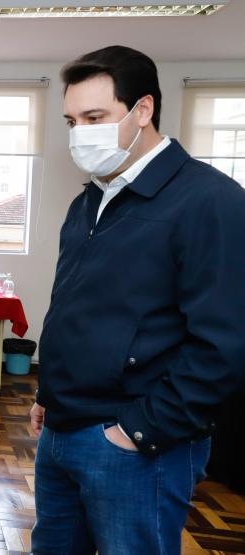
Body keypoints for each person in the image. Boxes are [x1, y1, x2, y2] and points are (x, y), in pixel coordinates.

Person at [31, 45, 245, 554]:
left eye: (95, 117)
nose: (79, 133)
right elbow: (76, 306)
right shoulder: (90, 200)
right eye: (71, 120)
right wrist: (48, 391)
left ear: (142, 110)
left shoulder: (210, 201)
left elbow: (225, 342)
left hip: (135, 441)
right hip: (61, 428)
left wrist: (140, 430)